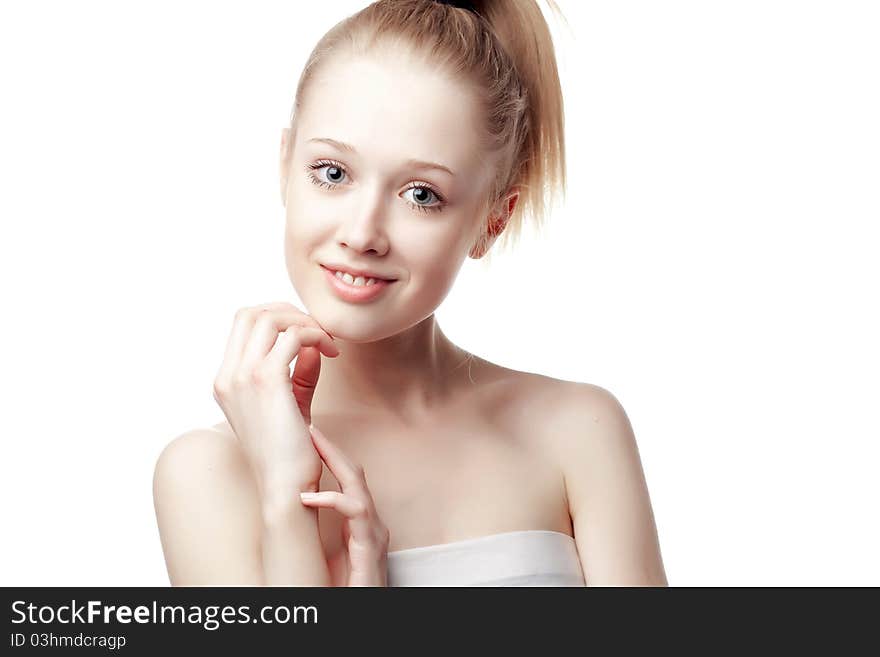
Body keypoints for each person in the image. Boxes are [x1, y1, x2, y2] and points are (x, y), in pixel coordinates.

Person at [152, 0, 668, 587]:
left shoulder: (579, 432)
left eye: (421, 194)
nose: (362, 233)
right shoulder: (206, 474)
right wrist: (285, 501)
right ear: (285, 166)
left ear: (493, 221)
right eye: (332, 173)